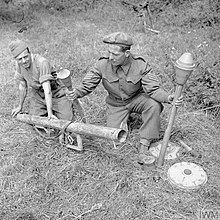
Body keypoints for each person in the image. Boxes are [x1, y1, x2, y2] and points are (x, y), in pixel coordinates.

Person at [67, 32, 182, 163]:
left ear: (127, 53)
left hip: (137, 99)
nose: (111, 57)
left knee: (154, 105)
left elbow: (153, 89)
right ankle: (126, 119)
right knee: (114, 139)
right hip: (116, 104)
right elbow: (88, 84)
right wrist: (77, 92)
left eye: (115, 54)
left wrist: (168, 97)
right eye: (109, 52)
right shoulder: (102, 64)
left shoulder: (140, 65)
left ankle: (144, 143)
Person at [9, 39, 77, 148]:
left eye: (25, 57)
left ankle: (58, 111)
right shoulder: (19, 64)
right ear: (16, 59)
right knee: (36, 121)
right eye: (19, 59)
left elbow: (48, 90)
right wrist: (19, 106)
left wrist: (50, 113)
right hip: (37, 94)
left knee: (66, 119)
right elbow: (22, 85)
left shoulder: (41, 62)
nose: (24, 61)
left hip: (56, 92)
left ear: (29, 52)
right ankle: (47, 122)